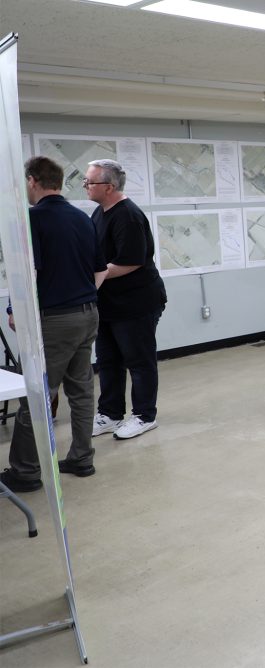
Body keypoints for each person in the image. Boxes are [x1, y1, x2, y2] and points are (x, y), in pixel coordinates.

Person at [0, 157, 108, 493]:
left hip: (55, 320)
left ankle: (26, 471)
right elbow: (100, 269)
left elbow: (27, 274)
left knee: (38, 394)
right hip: (88, 313)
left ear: (33, 181)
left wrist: (13, 309)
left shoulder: (33, 220)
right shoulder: (82, 217)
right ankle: (82, 456)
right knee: (81, 390)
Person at [87, 159, 166, 441]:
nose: (85, 186)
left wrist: (94, 276)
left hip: (136, 303)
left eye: (90, 182)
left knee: (139, 360)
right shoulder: (99, 213)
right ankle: (110, 413)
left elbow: (131, 262)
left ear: (109, 187)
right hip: (109, 304)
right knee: (108, 360)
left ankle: (145, 415)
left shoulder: (128, 216)